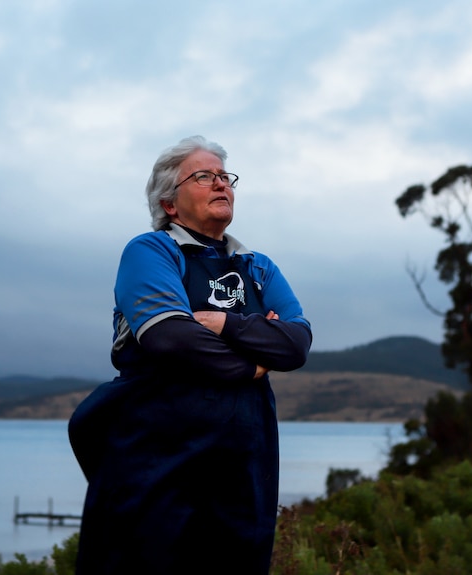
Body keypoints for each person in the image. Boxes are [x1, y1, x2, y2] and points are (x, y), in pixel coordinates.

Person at [68, 135, 312, 575]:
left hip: (244, 458)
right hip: (155, 453)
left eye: (224, 176)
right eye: (203, 176)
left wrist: (223, 324)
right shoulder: (151, 251)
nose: (221, 184)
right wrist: (254, 361)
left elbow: (295, 344)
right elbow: (170, 337)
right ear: (169, 203)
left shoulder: (258, 266)